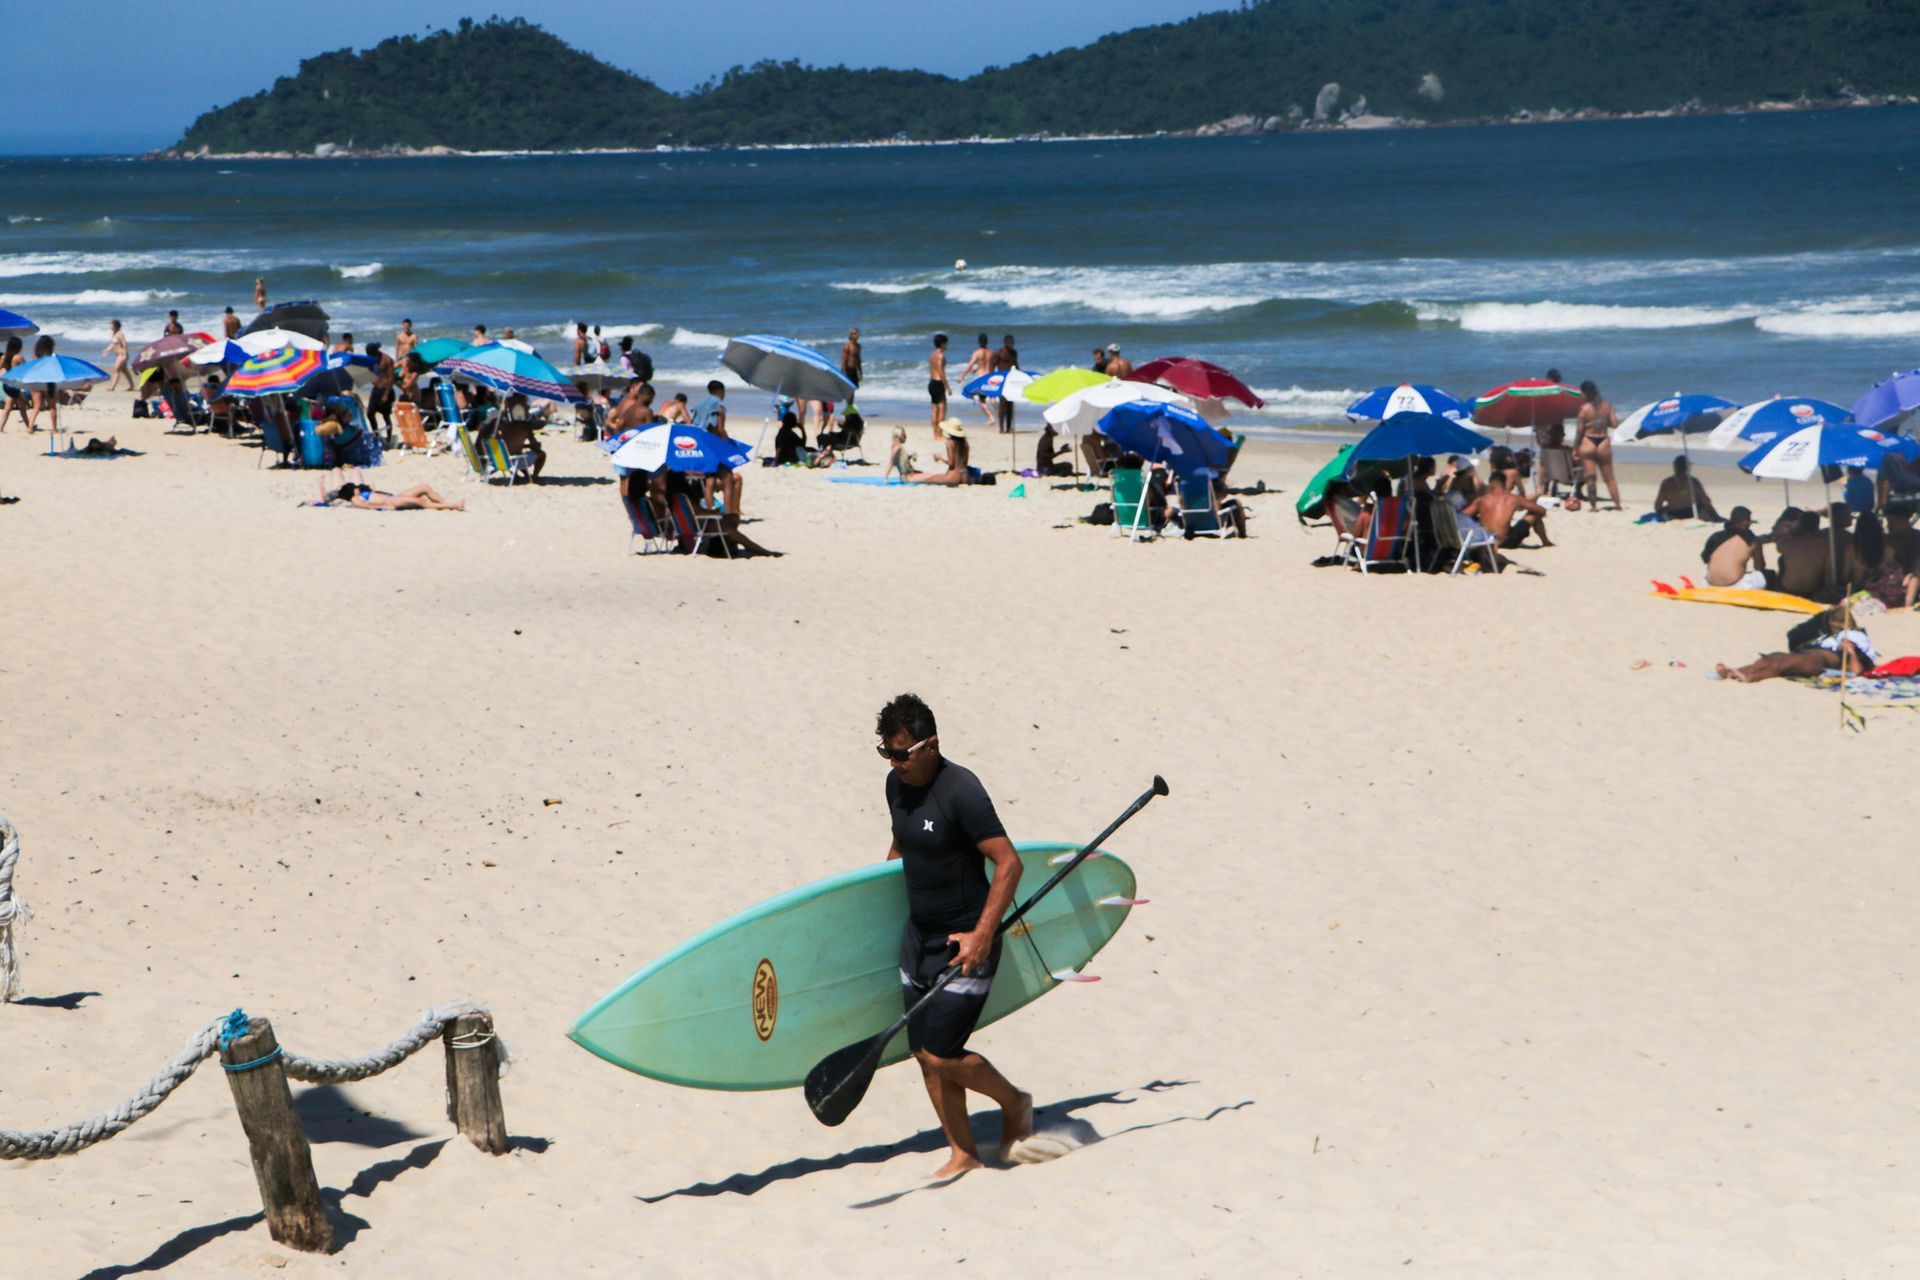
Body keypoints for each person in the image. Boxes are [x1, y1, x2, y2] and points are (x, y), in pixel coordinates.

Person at [872, 693, 1032, 1178]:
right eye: (887, 753)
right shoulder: (894, 786)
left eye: (902, 753)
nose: (895, 763)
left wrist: (983, 934)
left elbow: (1009, 862)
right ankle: (963, 1151)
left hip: (965, 940)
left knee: (941, 1052)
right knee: (923, 1055)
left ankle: (1014, 1102)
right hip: (917, 940)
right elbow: (902, 844)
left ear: (932, 744)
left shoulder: (962, 790)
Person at [1716, 620, 1877, 684]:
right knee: (1772, 657)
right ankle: (1736, 671)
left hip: (1816, 661)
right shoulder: (1832, 643)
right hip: (1808, 654)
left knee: (1780, 664)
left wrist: (1852, 652)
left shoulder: (1855, 654)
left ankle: (1750, 677)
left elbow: (1858, 672)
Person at [1462, 471, 1552, 550]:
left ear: (1491, 484)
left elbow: (1462, 516)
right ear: (1504, 484)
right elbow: (1542, 511)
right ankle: (1546, 542)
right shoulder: (1513, 498)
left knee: (1474, 519)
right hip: (1508, 542)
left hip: (1487, 541)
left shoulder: (1481, 500)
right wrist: (1522, 507)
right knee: (1534, 514)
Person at [1847, 512, 1917, 608]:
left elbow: (1845, 575)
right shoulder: (1889, 549)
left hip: (1858, 592)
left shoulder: (1852, 550)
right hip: (1883, 594)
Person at [1573, 380, 1621, 510]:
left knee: (1590, 477)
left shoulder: (1584, 409)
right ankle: (1617, 505)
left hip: (1588, 441)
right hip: (1603, 441)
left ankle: (1593, 507)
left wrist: (1575, 447)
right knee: (1609, 478)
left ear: (1586, 393)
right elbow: (1615, 423)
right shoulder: (1607, 406)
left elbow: (1579, 431)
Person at [1702, 506, 1770, 588]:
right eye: (1749, 520)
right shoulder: (1752, 540)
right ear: (1745, 522)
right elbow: (1759, 567)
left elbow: (1705, 559)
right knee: (1768, 575)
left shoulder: (1715, 536)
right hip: (1734, 585)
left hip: (1709, 583)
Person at [1774, 508, 1830, 598]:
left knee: (1782, 559)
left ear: (1800, 524)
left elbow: (1779, 548)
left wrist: (1794, 531)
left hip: (1788, 588)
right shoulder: (1825, 544)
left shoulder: (1789, 542)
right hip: (1812, 589)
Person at [324, 481, 464, 511]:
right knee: (421, 501)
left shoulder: (360, 494)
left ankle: (446, 504)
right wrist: (386, 507)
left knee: (424, 487)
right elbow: (367, 506)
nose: (357, 489)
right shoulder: (355, 499)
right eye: (355, 489)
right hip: (390, 501)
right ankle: (451, 505)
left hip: (394, 496)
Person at [1654, 456, 1719, 521]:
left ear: (1674, 467)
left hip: (1675, 513)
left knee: (1665, 509)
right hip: (1693, 512)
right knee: (1704, 506)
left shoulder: (1666, 483)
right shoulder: (1694, 482)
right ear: (1687, 467)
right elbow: (1706, 501)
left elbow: (1657, 505)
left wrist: (1663, 512)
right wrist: (1716, 516)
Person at [908, 421, 970, 485]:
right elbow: (965, 462)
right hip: (965, 476)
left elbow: (951, 463)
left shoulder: (950, 442)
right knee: (932, 477)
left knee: (930, 478)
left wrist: (939, 457)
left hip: (953, 476)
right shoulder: (966, 443)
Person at [957, 333, 994, 430]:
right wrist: (978, 368)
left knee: (982, 400)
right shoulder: (991, 352)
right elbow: (989, 365)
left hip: (981, 378)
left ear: (979, 341)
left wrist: (961, 376)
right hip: (990, 378)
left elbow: (969, 365)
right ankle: (1000, 415)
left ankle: (991, 417)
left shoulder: (977, 352)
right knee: (992, 398)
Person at [366, 341, 395, 438]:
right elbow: (369, 374)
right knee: (370, 413)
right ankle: (376, 433)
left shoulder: (387, 359)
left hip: (387, 389)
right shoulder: (371, 360)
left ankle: (389, 437)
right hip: (376, 389)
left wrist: (386, 394)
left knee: (386, 416)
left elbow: (391, 377)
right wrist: (374, 381)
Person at [992, 335, 1019, 434]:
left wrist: (1019, 378)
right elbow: (992, 367)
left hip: (1011, 380)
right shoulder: (999, 353)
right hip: (1002, 381)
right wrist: (993, 382)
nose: (1011, 344)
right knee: (1002, 405)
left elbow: (1016, 366)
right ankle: (1001, 427)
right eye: (1009, 342)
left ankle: (1008, 427)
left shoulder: (1014, 353)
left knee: (1010, 405)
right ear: (1005, 342)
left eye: (1012, 342)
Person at [926, 333, 951, 436]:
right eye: (946, 344)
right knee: (942, 410)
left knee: (934, 410)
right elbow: (941, 372)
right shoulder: (941, 356)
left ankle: (935, 433)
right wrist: (947, 387)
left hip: (931, 382)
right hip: (938, 382)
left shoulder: (932, 355)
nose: (947, 346)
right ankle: (939, 434)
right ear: (942, 344)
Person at [0, 336, 23, 433]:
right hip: (14, 384)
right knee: (8, 408)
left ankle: (29, 425)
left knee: (23, 406)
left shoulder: (5, 357)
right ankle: (0, 428)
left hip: (6, 383)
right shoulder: (18, 357)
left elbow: (1, 367)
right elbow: (25, 369)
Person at [102, 320, 133, 391]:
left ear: (115, 326)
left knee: (116, 369)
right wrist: (106, 350)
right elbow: (113, 344)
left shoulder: (120, 334)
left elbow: (125, 343)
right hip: (118, 355)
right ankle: (132, 385)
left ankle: (112, 387)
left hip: (122, 354)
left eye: (111, 325)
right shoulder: (114, 333)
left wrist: (124, 354)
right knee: (125, 371)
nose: (110, 326)